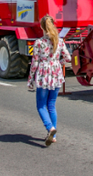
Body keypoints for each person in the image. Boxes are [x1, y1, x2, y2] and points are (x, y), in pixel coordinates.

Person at [27, 15, 71, 146]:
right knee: (51, 105)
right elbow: (68, 58)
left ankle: (50, 128)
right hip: (56, 73)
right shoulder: (60, 41)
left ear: (41, 26)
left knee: (41, 105)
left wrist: (30, 80)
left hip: (43, 74)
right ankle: (54, 135)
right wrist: (57, 62)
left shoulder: (39, 43)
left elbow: (34, 63)